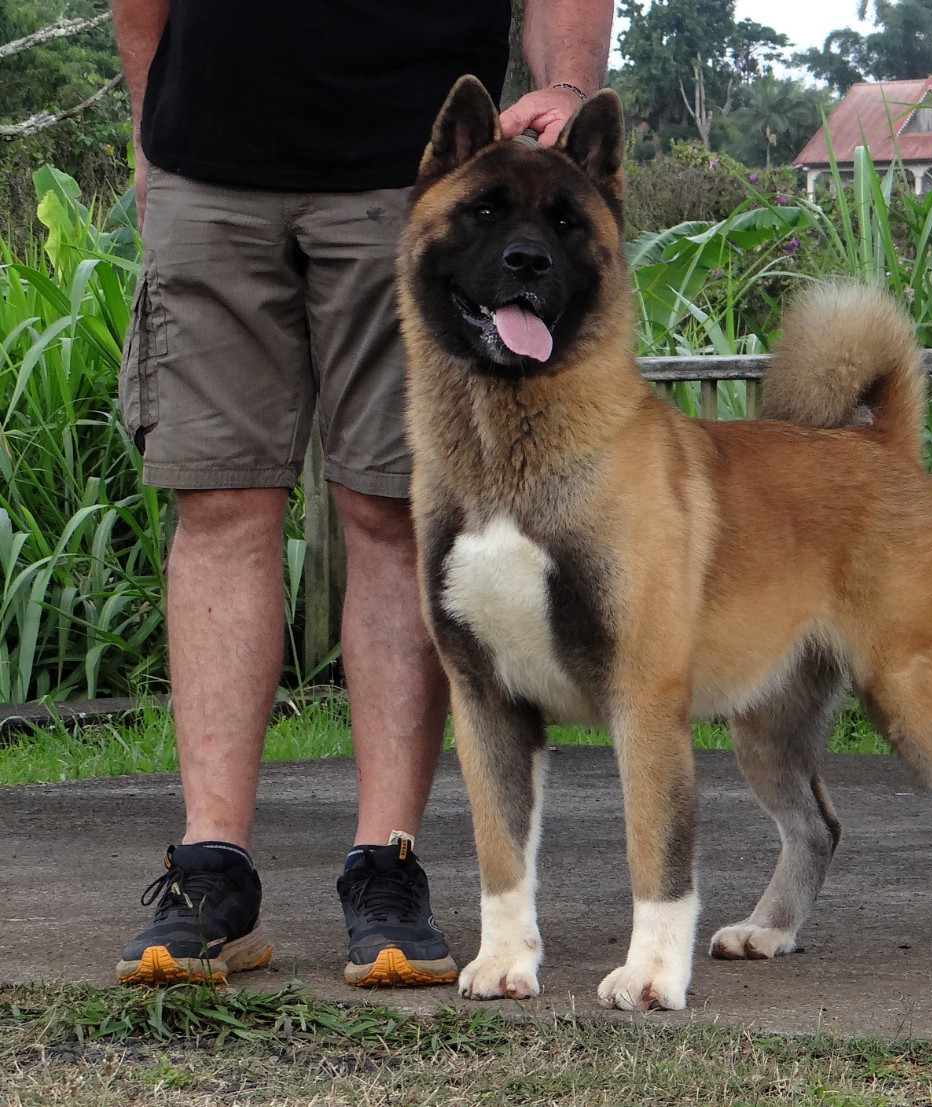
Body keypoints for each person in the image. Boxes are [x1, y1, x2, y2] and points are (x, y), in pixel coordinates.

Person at [109, 0, 613, 988]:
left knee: (389, 516)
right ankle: (211, 867)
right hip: (208, 157)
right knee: (217, 506)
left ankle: (385, 866)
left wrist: (565, 81)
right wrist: (146, 131)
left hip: (418, 175)